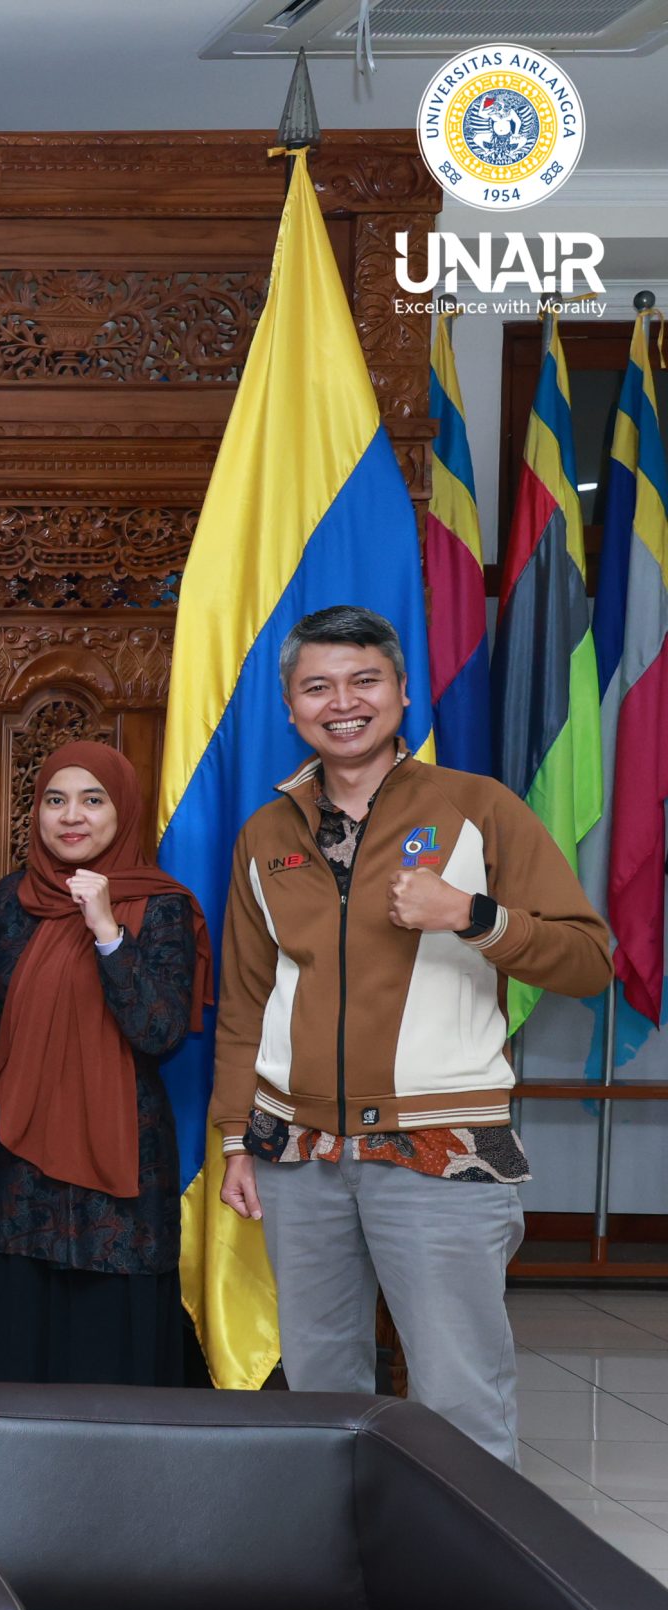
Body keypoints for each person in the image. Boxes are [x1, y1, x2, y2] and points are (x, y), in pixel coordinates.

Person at [216, 605, 610, 1466]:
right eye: (318, 686)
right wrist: (236, 1140)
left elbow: (589, 959)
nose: (342, 702)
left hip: (442, 1143)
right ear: (290, 707)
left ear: (401, 693)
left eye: (365, 680)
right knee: (323, 1390)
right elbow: (245, 1003)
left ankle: (470, 1583)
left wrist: (469, 914)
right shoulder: (266, 833)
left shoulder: (479, 809)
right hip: (299, 1151)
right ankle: (345, 1577)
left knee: (459, 1391)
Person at [0, 742, 210, 1386]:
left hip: (122, 1158)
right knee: (25, 1335)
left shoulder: (162, 904)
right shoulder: (11, 901)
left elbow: (158, 1031)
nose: (70, 816)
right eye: (55, 800)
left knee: (115, 1345)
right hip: (24, 1155)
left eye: (92, 799)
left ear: (122, 811)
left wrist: (106, 929)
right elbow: (8, 1026)